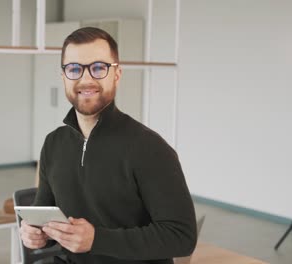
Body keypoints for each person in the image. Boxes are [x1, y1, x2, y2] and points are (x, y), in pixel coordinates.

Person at [20, 27, 197, 264]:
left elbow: (181, 237)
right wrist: (36, 233)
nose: (86, 79)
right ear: (63, 77)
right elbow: (45, 214)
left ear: (117, 74)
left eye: (98, 68)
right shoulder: (54, 143)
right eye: (74, 69)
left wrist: (97, 240)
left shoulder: (149, 148)